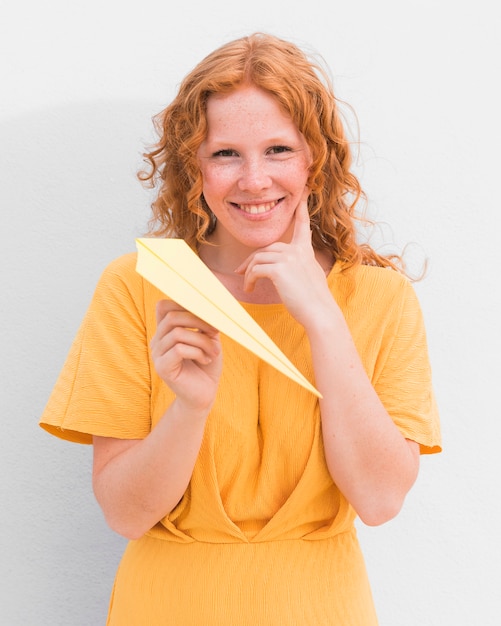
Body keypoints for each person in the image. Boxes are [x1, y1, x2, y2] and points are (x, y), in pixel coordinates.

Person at [40, 32, 441, 625]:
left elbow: (380, 501)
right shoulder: (137, 286)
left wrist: (324, 321)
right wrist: (190, 408)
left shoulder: (379, 299)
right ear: (193, 167)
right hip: (165, 607)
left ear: (315, 159)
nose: (254, 181)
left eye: (278, 149)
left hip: (322, 607)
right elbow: (125, 515)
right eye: (225, 153)